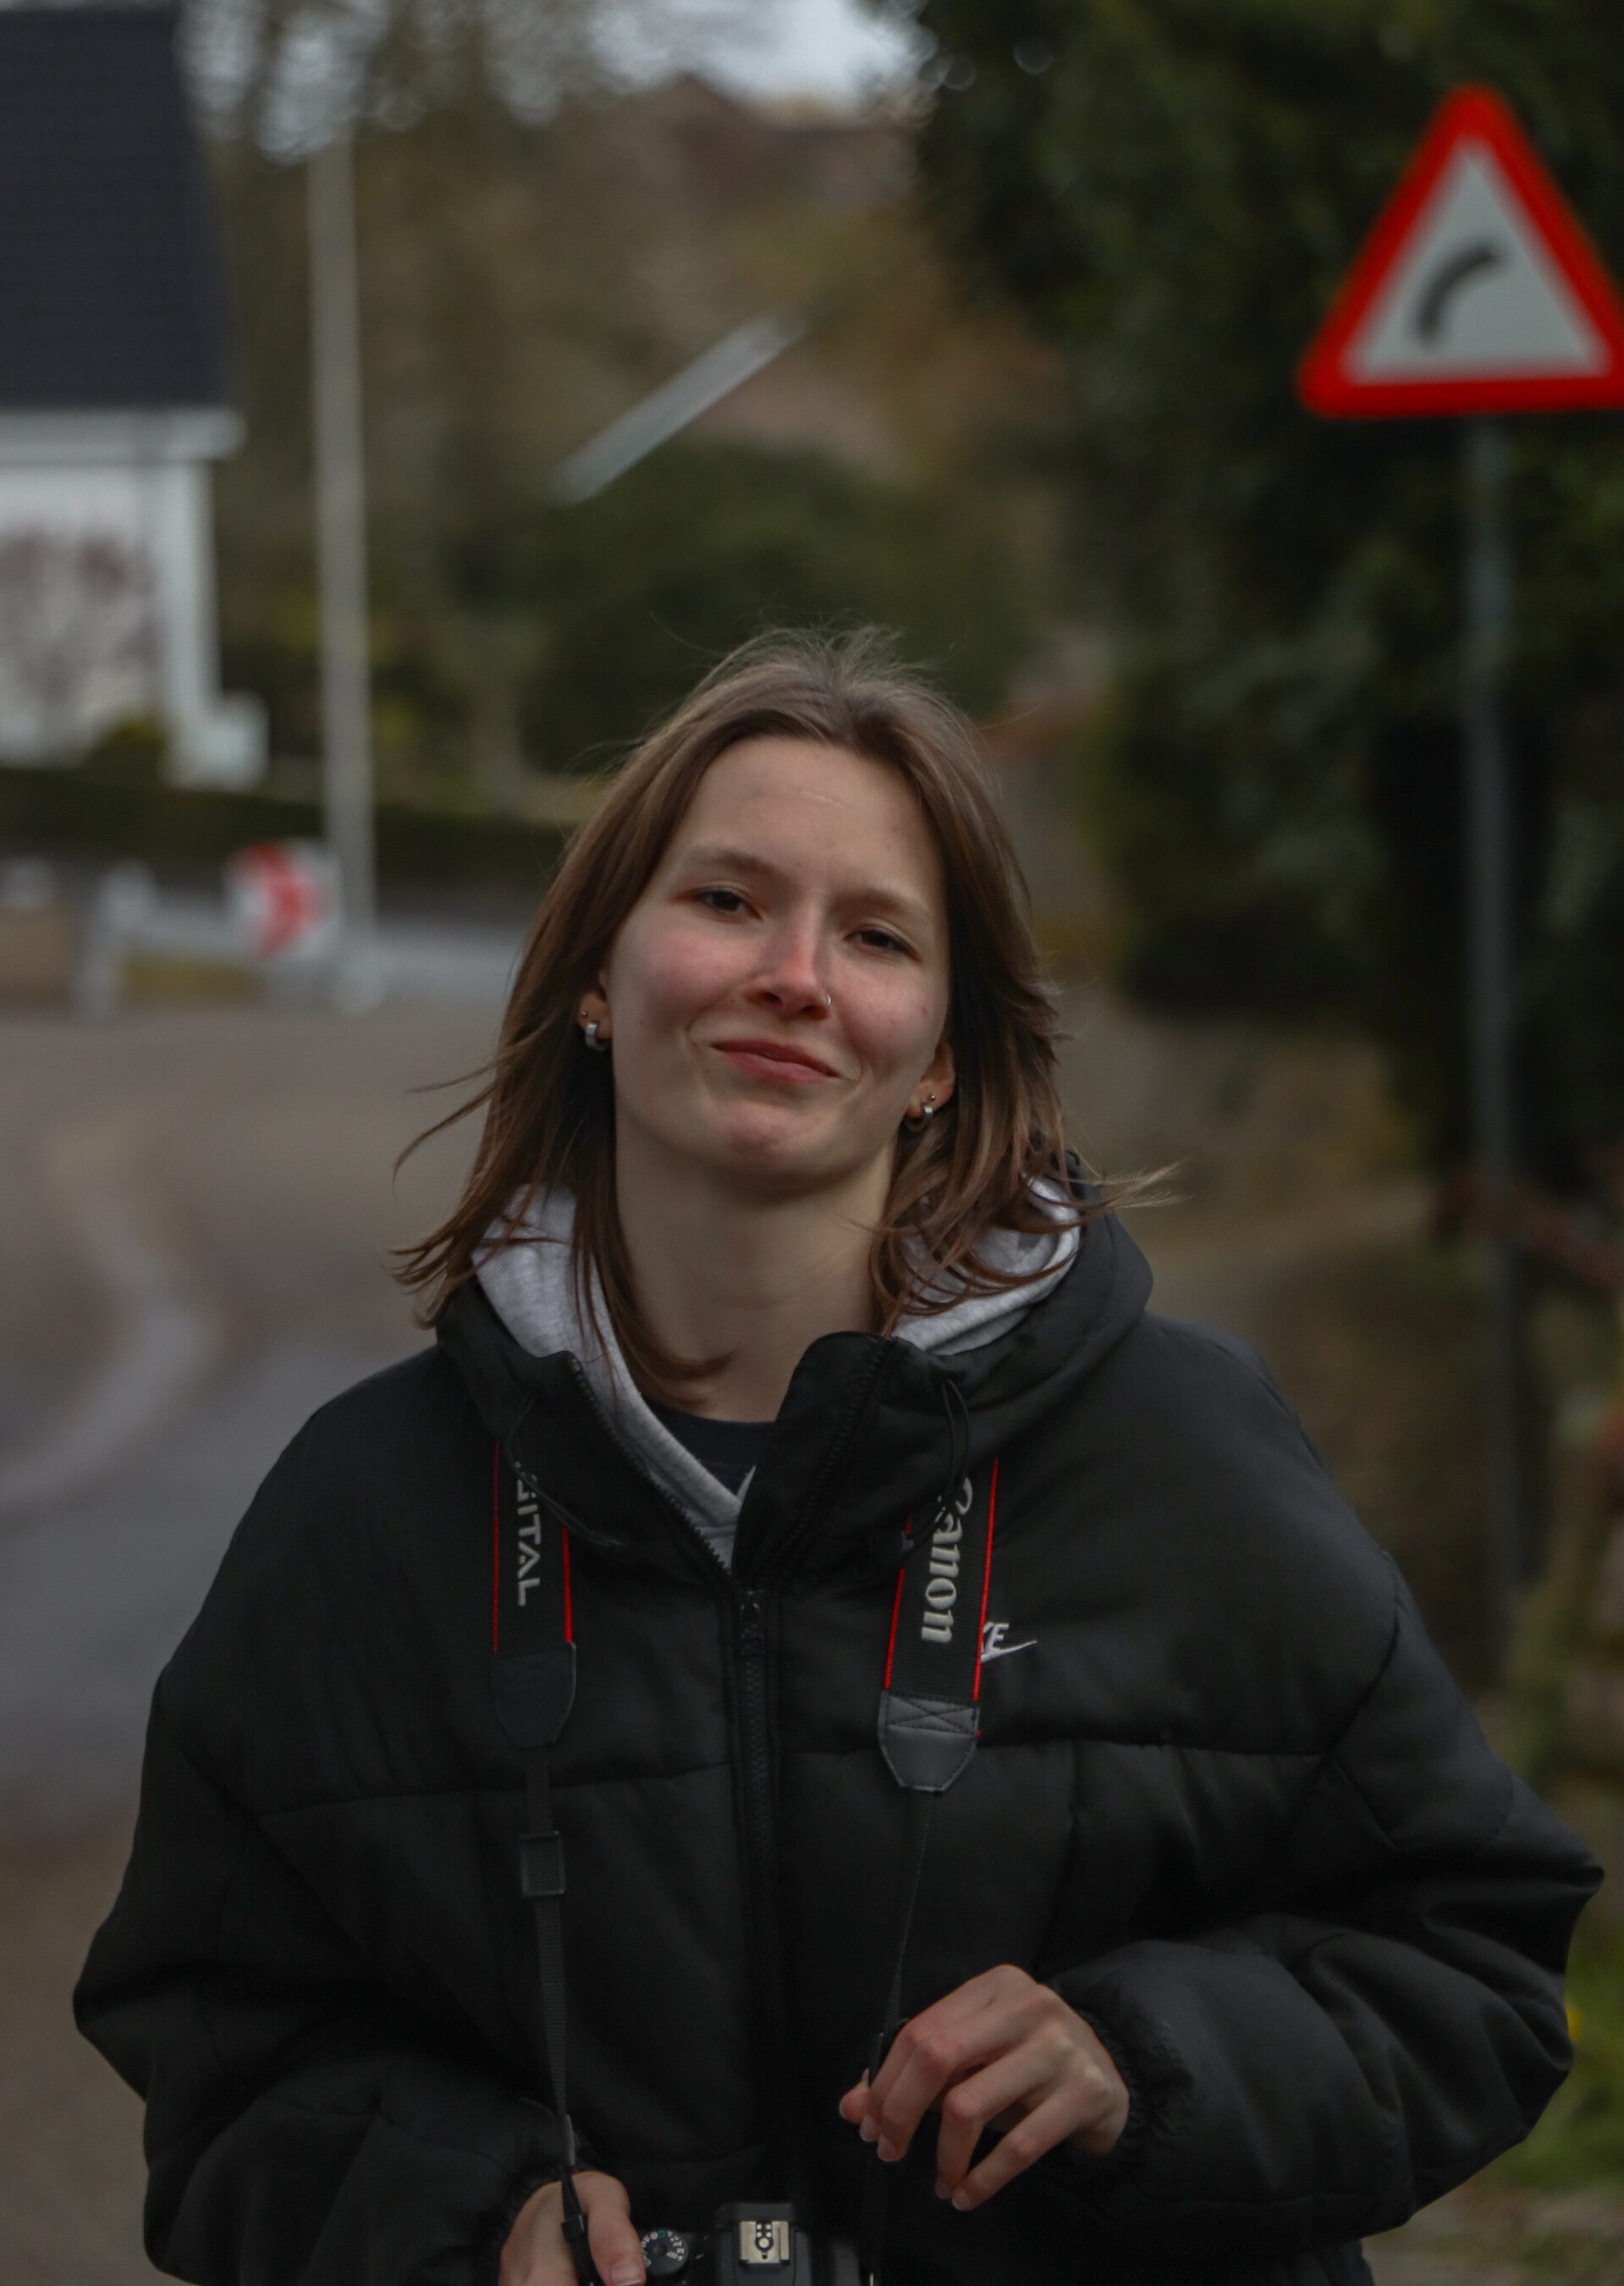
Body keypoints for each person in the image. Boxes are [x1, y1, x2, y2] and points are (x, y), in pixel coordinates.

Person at [77, 631, 1598, 2286]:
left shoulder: (1182, 1455)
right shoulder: (365, 1509)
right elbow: (225, 2059)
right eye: (727, 900)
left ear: (940, 1051)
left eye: (875, 934)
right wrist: (473, 2214)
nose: (794, 974)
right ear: (597, 978)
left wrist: (1142, 2059)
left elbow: (1474, 1964)